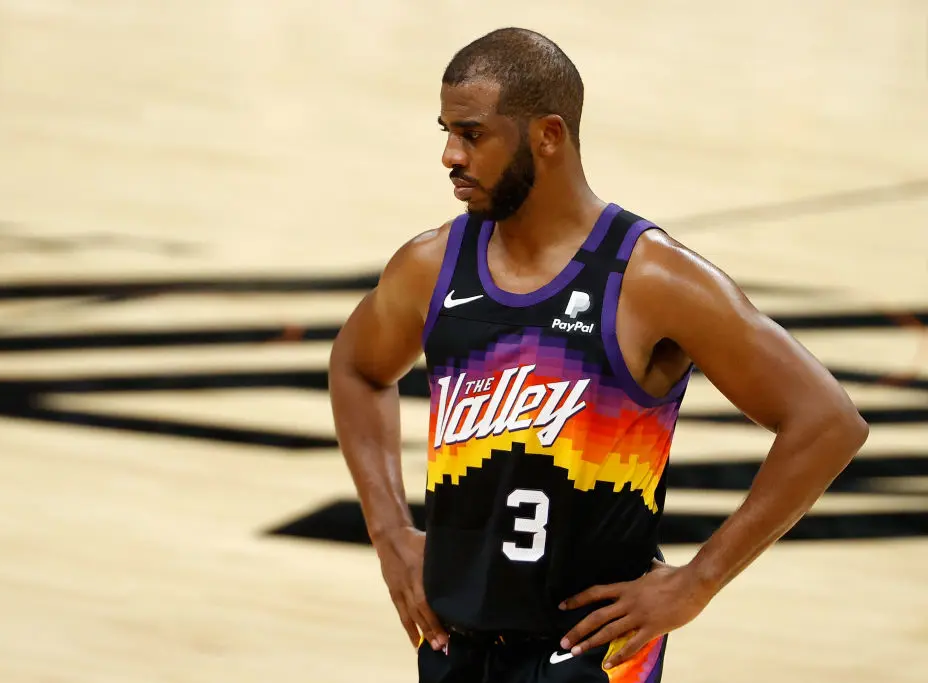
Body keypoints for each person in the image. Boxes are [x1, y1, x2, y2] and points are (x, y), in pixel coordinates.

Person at [328, 27, 868, 682]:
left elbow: (826, 420)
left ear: (548, 136)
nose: (448, 154)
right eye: (445, 130)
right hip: (456, 648)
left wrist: (698, 581)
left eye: (472, 134)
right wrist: (389, 533)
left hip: (591, 656)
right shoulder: (431, 264)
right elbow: (357, 368)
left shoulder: (651, 278)